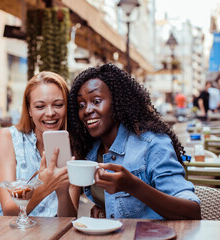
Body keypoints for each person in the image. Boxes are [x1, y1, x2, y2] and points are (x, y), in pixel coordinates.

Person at [67, 63, 201, 219]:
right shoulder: (91, 150)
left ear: (118, 102)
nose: (87, 110)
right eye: (81, 105)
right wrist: (104, 209)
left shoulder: (152, 145)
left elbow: (192, 212)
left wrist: (134, 186)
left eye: (96, 101)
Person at [0, 71, 78, 217]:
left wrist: (63, 193)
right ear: (29, 110)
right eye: (40, 106)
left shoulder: (73, 148)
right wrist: (44, 187)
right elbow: (9, 211)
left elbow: (69, 220)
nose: (50, 113)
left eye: (58, 105)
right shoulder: (8, 137)